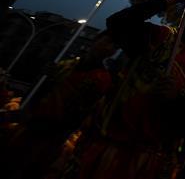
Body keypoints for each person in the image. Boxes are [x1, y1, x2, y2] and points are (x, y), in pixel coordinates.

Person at [70, 0, 185, 178]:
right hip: (109, 152)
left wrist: (175, 100)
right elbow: (117, 23)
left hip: (154, 163)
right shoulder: (159, 36)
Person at [5, 30, 117, 179]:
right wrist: (43, 79)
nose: (109, 48)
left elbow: (82, 111)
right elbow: (39, 93)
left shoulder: (103, 79)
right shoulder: (65, 65)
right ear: (96, 39)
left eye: (115, 47)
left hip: (54, 134)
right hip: (31, 123)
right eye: (107, 41)